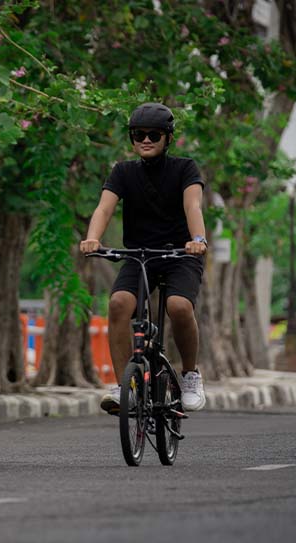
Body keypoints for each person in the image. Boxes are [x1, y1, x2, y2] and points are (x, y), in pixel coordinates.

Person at [79, 102, 208, 412]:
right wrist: (93, 238)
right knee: (118, 304)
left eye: (153, 134)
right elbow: (104, 208)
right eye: (138, 134)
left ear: (168, 138)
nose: (145, 140)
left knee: (178, 306)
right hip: (140, 256)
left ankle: (191, 375)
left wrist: (198, 240)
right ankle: (127, 385)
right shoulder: (123, 171)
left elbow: (193, 206)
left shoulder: (185, 168)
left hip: (181, 254)